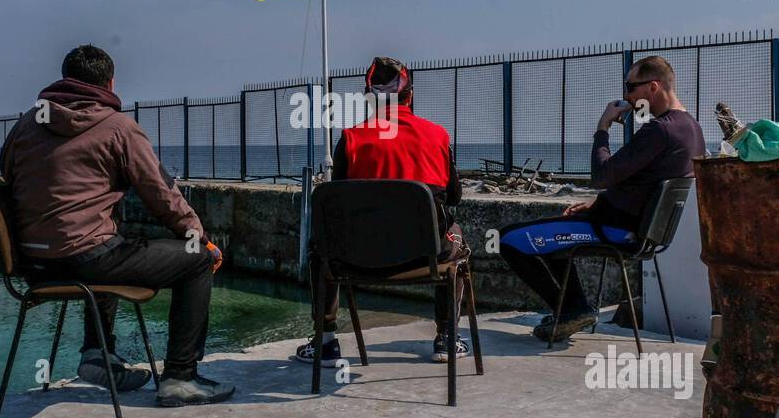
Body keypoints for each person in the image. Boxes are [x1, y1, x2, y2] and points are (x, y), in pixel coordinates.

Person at [0, 44, 235, 407]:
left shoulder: (25, 124)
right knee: (196, 262)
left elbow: (7, 175)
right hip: (87, 261)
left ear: (64, 80)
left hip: (34, 265)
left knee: (109, 238)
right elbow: (162, 195)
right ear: (110, 83)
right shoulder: (118, 127)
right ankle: (179, 377)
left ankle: (97, 353)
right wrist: (199, 238)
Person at [500, 55, 706, 342]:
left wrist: (603, 127)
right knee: (556, 233)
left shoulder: (659, 130)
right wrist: (597, 204)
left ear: (653, 88)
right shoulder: (692, 128)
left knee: (509, 240)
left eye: (630, 87)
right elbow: (644, 184)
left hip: (616, 231)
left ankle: (574, 309)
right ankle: (571, 309)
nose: (626, 96)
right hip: (644, 232)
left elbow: (601, 176)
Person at [293, 56, 470, 364]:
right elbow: (454, 197)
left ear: (369, 97)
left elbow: (338, 207)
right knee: (455, 238)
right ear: (410, 95)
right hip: (425, 257)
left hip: (358, 259)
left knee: (319, 247)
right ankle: (446, 338)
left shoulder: (350, 139)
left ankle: (325, 341)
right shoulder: (438, 136)